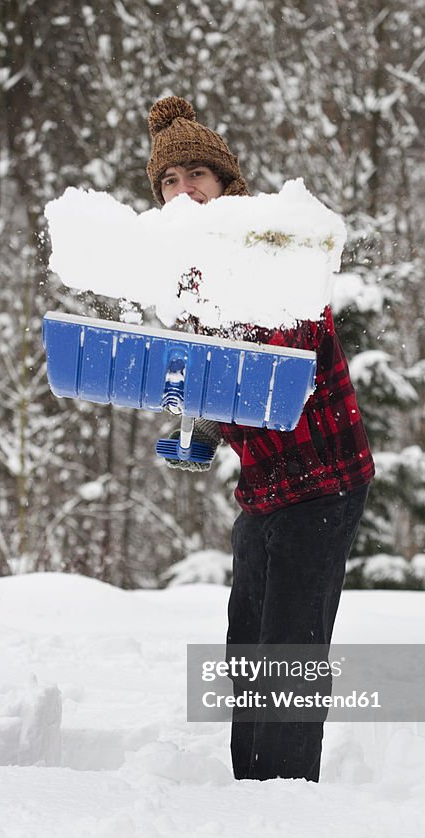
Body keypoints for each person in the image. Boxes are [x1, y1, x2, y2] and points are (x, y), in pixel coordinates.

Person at [146, 96, 375, 782]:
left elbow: (286, 357)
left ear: (225, 185)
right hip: (266, 489)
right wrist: (198, 426)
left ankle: (284, 799)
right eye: (168, 181)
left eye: (196, 175)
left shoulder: (275, 249)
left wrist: (214, 351)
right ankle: (250, 789)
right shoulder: (188, 279)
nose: (183, 190)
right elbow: (219, 382)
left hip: (324, 478)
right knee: (247, 646)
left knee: (289, 651)